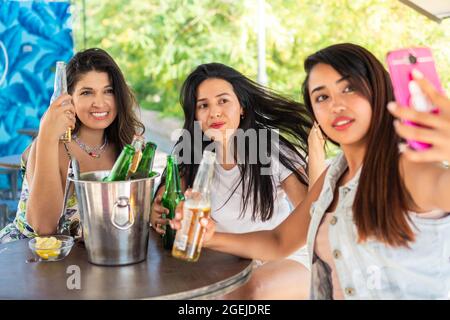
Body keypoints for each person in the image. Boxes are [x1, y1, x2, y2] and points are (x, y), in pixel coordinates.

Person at [172, 44, 450, 299]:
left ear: (376, 91)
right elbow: (279, 241)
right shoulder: (333, 180)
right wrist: (210, 238)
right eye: (321, 97)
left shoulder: (407, 170)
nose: (335, 105)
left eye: (349, 89)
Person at [151, 62, 325, 299]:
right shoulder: (191, 155)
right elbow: (166, 205)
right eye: (203, 105)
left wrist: (315, 154)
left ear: (241, 106)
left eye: (223, 101)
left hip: (284, 259)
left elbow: (314, 214)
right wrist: (157, 213)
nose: (214, 112)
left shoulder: (267, 147)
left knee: (253, 290)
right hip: (227, 264)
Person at [0, 48, 144, 243]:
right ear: (69, 98)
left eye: (108, 91)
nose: (99, 103)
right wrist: (47, 135)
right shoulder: (51, 144)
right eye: (87, 93)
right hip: (27, 258)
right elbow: (44, 228)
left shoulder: (126, 147)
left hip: (91, 257)